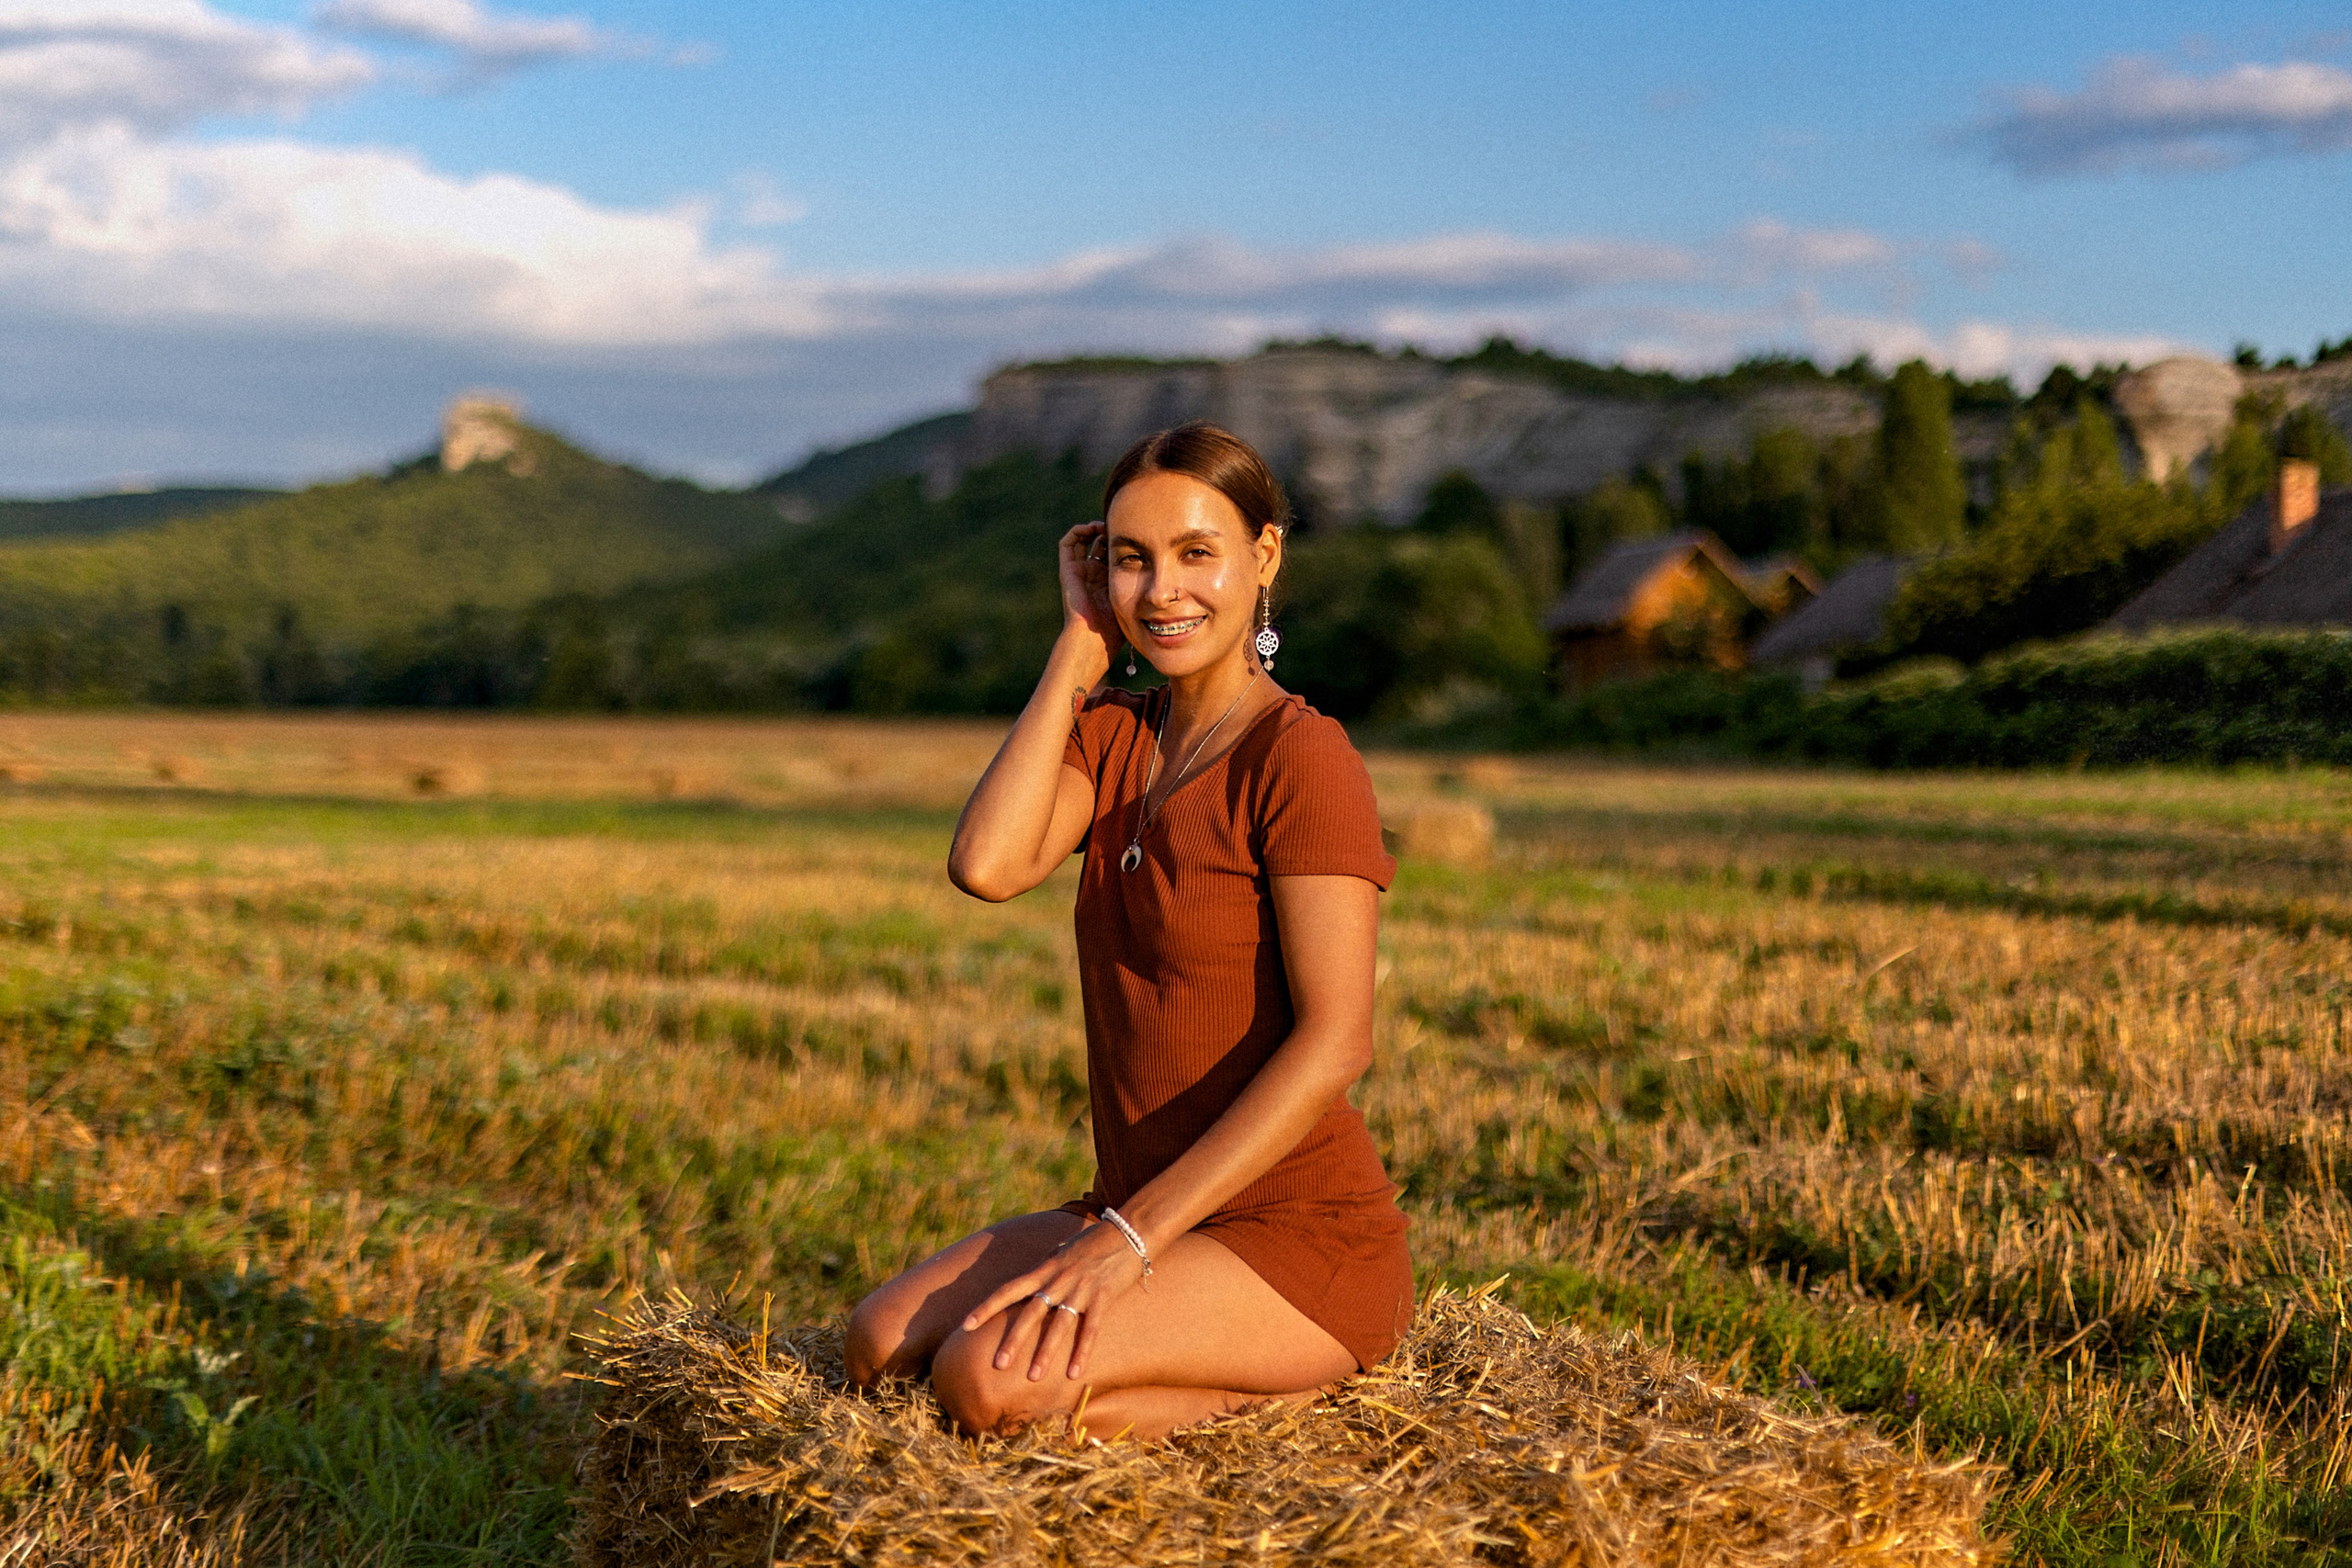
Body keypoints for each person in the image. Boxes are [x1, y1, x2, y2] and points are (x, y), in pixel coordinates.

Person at [843, 423, 1413, 1441]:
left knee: (985, 1384)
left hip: (1289, 1232)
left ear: (1263, 556)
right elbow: (986, 866)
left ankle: (1307, 1401)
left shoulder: (1301, 759)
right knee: (878, 1344)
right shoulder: (1116, 735)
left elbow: (1338, 1041)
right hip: (1138, 1202)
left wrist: (1126, 1243)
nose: (1161, 590)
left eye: (1196, 553)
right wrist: (1078, 644)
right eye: (1130, 559)